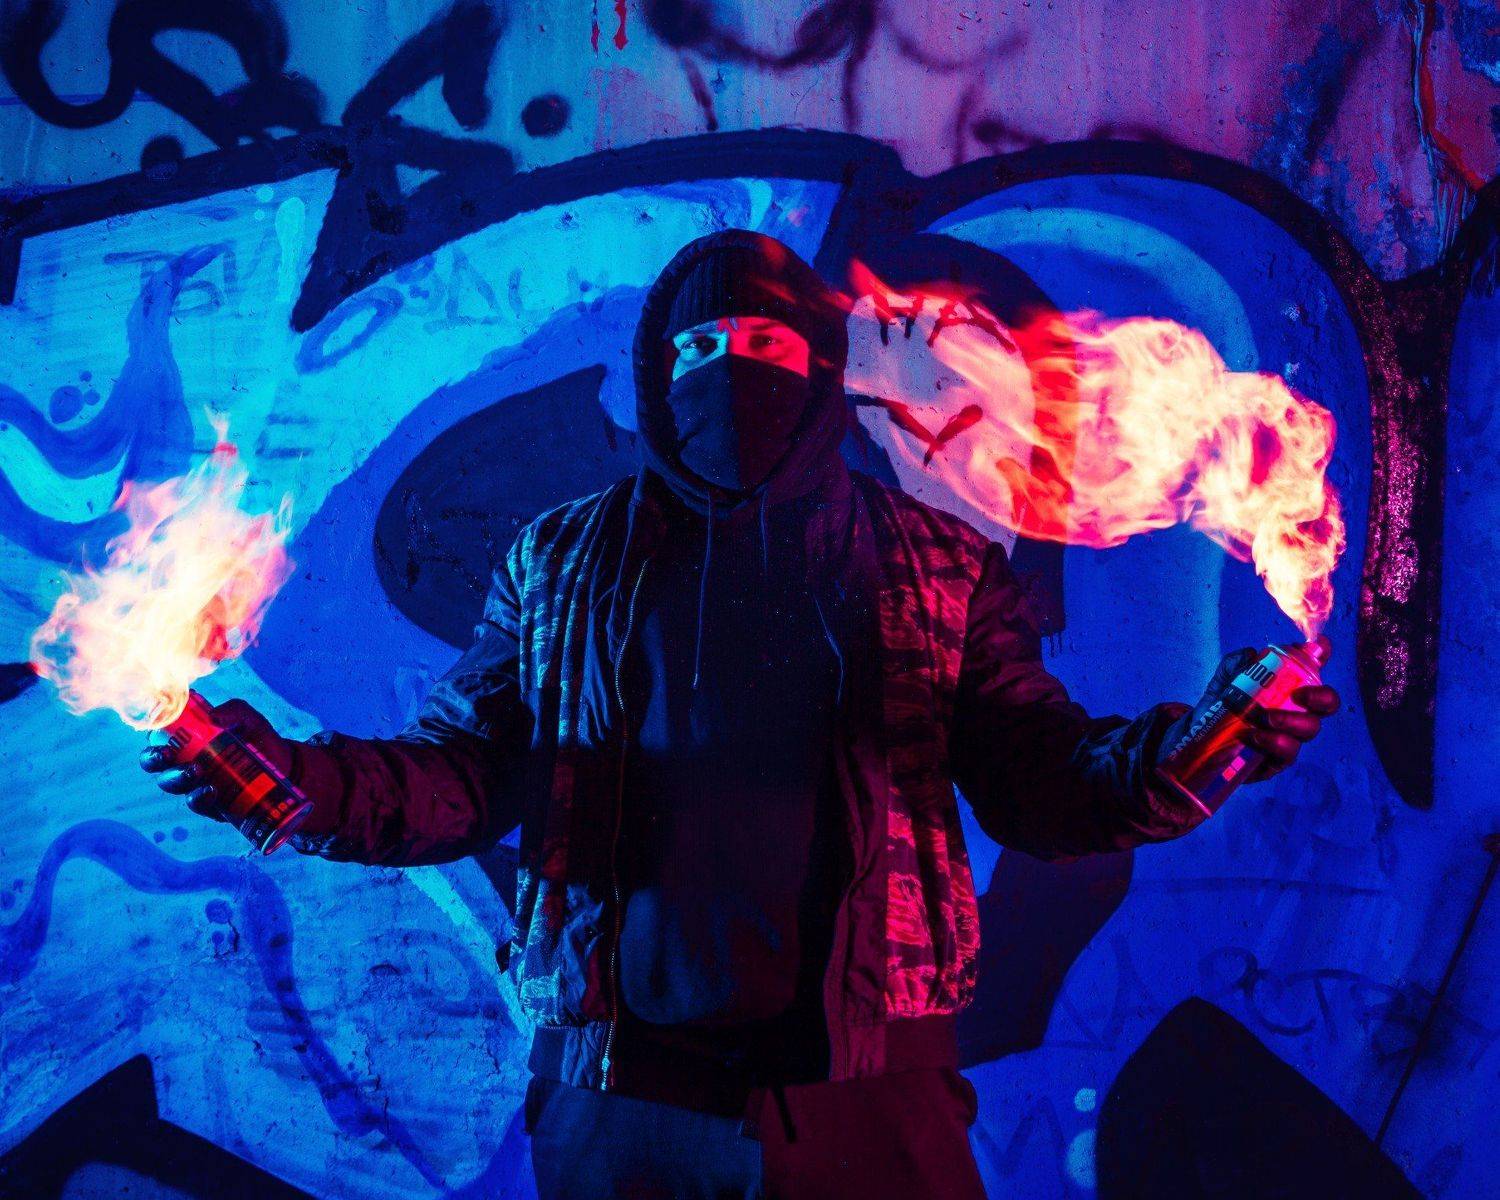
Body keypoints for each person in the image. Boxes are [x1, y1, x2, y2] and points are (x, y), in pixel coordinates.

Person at [142, 229, 1340, 1199]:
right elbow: (460, 775)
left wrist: (1193, 754)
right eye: (702, 343)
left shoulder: (936, 564)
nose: (732, 368)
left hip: (868, 1105)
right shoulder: (559, 562)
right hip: (623, 1109)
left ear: (817, 366)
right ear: (660, 371)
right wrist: (293, 786)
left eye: (766, 340)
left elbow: (1045, 782)